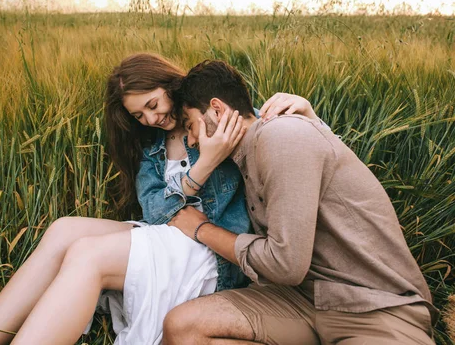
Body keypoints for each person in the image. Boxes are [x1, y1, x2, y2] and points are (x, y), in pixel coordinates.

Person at [0, 53, 318, 345]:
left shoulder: (214, 118)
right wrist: (203, 167)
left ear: (171, 86)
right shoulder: (152, 148)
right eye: (138, 115)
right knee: (64, 229)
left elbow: (286, 142)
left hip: (213, 249)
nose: (150, 118)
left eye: (152, 103)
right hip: (170, 233)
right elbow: (158, 212)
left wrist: (310, 112)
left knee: (88, 254)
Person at [163, 60, 439, 345]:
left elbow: (286, 264)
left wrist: (203, 230)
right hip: (299, 300)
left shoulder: (282, 136)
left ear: (217, 110)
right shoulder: (243, 156)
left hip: (373, 306)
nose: (192, 141)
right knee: (183, 327)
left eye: (190, 126)